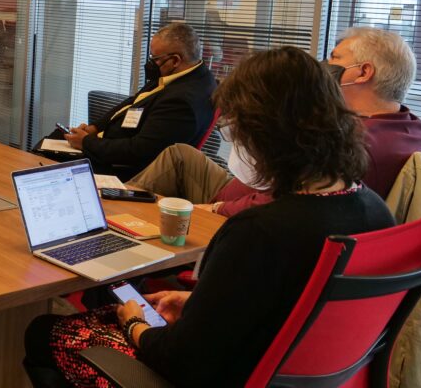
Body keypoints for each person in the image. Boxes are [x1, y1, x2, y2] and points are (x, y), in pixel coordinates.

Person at [24, 46, 396, 388]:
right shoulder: (377, 212)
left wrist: (135, 323)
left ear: (267, 135)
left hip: (214, 375)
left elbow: (181, 362)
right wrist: (199, 304)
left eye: (238, 129)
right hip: (287, 370)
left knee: (45, 330)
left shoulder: (259, 232)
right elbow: (289, 304)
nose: (237, 143)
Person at [130, 26, 421, 217]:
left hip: (239, 207)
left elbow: (288, 204)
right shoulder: (409, 127)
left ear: (363, 72)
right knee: (180, 154)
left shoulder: (357, 145)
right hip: (245, 189)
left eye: (335, 58)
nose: (323, 66)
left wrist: (216, 208)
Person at [55, 22, 216, 180]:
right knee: (55, 138)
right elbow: (132, 102)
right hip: (109, 145)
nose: (151, 63)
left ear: (175, 60)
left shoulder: (182, 102)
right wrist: (94, 128)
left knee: (46, 162)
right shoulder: (182, 74)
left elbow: (139, 152)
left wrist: (86, 143)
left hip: (122, 169)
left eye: (155, 58)